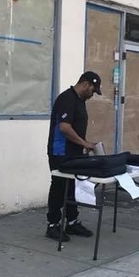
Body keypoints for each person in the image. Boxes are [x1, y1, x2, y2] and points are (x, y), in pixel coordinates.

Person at [46, 71, 102, 241]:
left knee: (72, 188)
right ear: (85, 84)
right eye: (93, 90)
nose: (93, 94)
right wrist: (84, 143)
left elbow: (75, 128)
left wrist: (84, 144)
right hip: (60, 153)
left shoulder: (80, 101)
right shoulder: (67, 99)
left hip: (74, 153)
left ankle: (72, 222)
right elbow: (64, 127)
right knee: (59, 188)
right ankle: (53, 225)